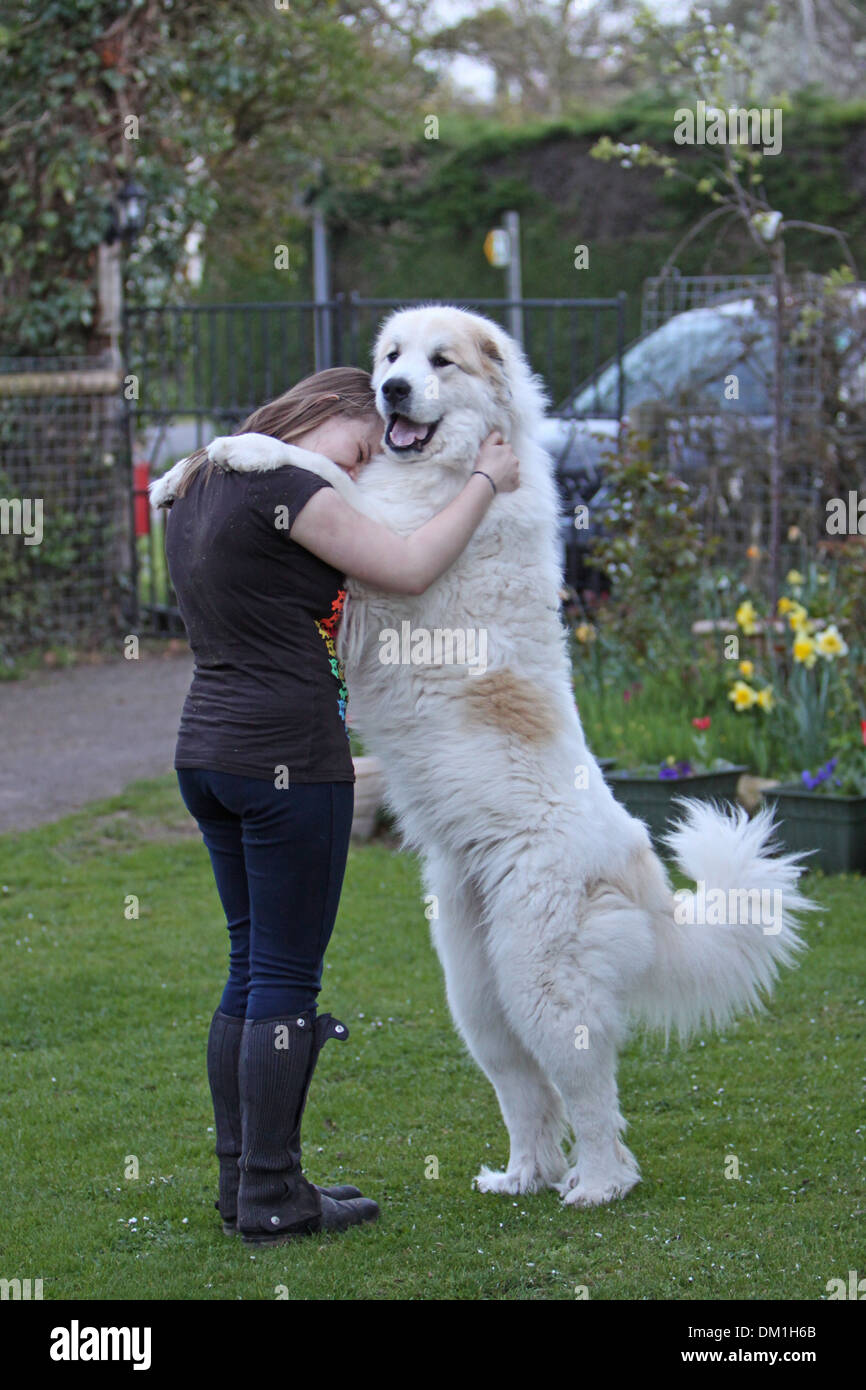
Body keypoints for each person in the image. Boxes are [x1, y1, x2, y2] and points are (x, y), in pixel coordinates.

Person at [159, 367, 520, 1246]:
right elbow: (405, 567)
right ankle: (275, 1199)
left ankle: (245, 1181)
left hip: (205, 749)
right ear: (321, 413)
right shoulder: (285, 484)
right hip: (285, 756)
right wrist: (486, 481)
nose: (357, 472)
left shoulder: (197, 482)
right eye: (358, 449)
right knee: (283, 979)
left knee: (250, 969)